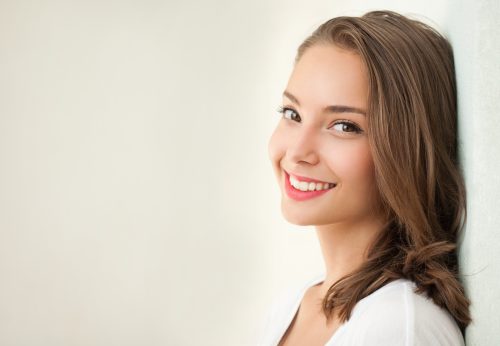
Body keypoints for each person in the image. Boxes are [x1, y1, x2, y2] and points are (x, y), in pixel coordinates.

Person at [261, 10, 472, 346]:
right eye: (293, 114)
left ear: (404, 150)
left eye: (345, 126)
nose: (298, 151)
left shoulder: (399, 326)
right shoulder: (292, 306)